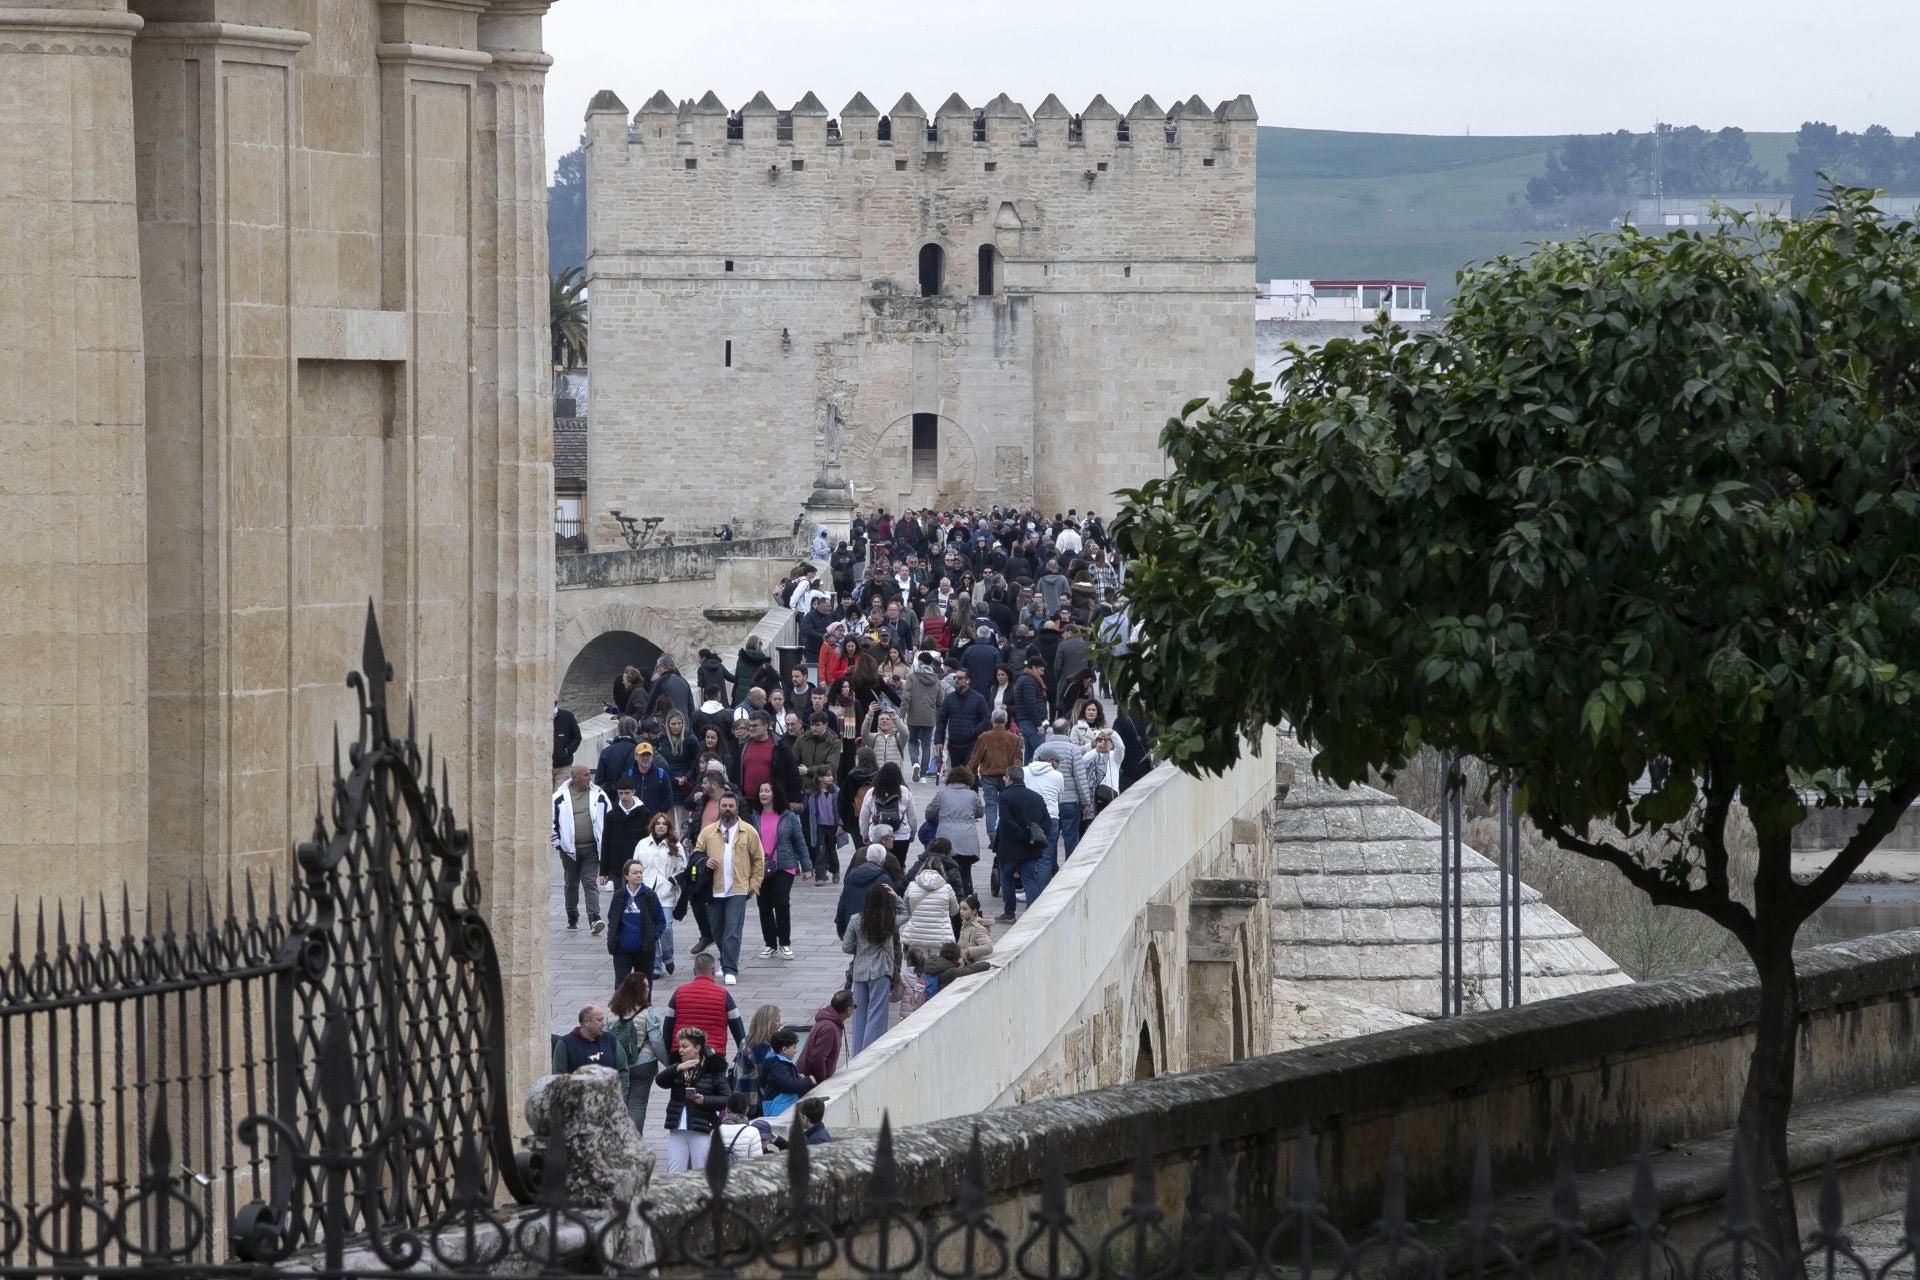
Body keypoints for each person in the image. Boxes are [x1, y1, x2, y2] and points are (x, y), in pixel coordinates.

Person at [692, 789, 764, 984]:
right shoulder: (708, 832)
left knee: (732, 930)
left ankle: (730, 967)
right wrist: (704, 861)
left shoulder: (748, 831)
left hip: (739, 889)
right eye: (724, 805)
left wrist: (754, 885)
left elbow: (759, 860)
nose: (727, 809)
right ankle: (725, 961)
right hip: (714, 889)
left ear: (737, 808)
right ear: (719, 808)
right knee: (717, 930)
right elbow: (696, 854)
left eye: (731, 806)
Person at [841, 873, 906, 1058]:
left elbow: (846, 946)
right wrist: (895, 896)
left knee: (859, 1014)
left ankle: (857, 1054)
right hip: (881, 971)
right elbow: (906, 914)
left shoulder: (856, 919)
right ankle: (870, 1055)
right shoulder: (889, 921)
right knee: (877, 1013)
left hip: (860, 971)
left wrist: (859, 949)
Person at [655, 1027, 730, 1173]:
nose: (680, 1050)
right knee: (674, 1170)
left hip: (701, 1126)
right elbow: (660, 1081)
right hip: (677, 1126)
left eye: (685, 1046)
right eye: (679, 1046)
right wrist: (677, 1068)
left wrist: (704, 1100)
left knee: (701, 1171)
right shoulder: (677, 1067)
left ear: (697, 1048)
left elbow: (727, 1097)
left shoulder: (713, 1068)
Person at [751, 781, 811, 959]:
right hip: (760, 867)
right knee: (764, 905)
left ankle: (785, 942)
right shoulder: (753, 816)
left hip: (784, 865)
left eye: (767, 791)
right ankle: (770, 944)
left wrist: (807, 867)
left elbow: (799, 842)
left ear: (774, 793)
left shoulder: (788, 816)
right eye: (761, 791)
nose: (763, 794)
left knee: (781, 901)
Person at [991, 765, 1054, 922]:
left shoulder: (1005, 797)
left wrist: (1022, 836)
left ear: (1010, 778)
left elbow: (1006, 822)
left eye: (1005, 777)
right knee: (1030, 879)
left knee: (1007, 878)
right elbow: (1047, 820)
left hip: (1010, 847)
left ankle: (1009, 913)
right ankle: (1032, 913)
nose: (1004, 779)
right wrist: (1036, 836)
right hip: (1031, 847)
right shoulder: (1036, 797)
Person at [550, 766, 607, 934]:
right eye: (586, 775)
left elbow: (608, 817)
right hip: (569, 851)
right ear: (574, 778)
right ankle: (572, 916)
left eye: (589, 775)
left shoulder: (599, 795)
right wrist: (559, 843)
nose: (590, 777)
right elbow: (551, 822)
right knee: (571, 884)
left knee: (590, 883)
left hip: (591, 849)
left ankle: (594, 918)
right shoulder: (559, 797)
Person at [607, 974, 667, 1132]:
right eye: (646, 987)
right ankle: (634, 1143)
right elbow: (656, 1041)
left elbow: (605, 1040)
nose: (648, 989)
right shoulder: (649, 1012)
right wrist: (668, 1063)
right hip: (643, 1064)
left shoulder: (610, 1011)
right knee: (638, 1105)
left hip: (618, 1065)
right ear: (639, 991)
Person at [1034, 721, 1099, 861]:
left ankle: (1051, 869)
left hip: (1047, 802)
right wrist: (1085, 801)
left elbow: (1034, 774)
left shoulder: (1041, 749)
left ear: (1053, 730)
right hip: (1069, 801)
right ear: (1068, 730)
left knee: (1051, 838)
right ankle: (1070, 865)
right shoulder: (1073, 750)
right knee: (1070, 837)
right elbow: (1080, 778)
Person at [664, 954, 749, 1056]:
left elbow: (667, 1028)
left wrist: (669, 1055)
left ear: (694, 971)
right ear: (713, 971)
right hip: (713, 1056)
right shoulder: (723, 995)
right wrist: (743, 1056)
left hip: (681, 1054)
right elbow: (738, 1030)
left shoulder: (679, 992)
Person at [630, 811, 682, 975]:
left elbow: (683, 868)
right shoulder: (643, 844)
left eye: (664, 824)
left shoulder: (676, 846)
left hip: (665, 892)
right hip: (646, 892)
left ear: (668, 827)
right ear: (653, 825)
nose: (661, 826)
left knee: (666, 927)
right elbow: (634, 866)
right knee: (649, 929)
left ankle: (668, 956)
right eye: (658, 823)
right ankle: (655, 965)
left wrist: (673, 880)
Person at [923, 765, 985, 897]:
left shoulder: (942, 794)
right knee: (965, 872)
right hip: (967, 841)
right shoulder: (972, 795)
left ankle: (947, 898)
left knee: (945, 870)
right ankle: (967, 898)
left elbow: (929, 814)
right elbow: (980, 813)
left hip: (946, 843)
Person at [604, 856, 667, 985]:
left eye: (640, 872)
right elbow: (612, 919)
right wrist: (615, 940)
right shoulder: (619, 895)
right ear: (626, 876)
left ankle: (645, 1006)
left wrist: (651, 937)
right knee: (621, 985)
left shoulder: (650, 895)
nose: (638, 875)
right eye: (635, 873)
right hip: (622, 950)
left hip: (644, 950)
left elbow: (661, 921)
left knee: (643, 986)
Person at [966, 710, 1023, 847]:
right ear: (1005, 720)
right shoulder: (1014, 738)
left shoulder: (984, 737)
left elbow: (975, 759)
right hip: (1007, 778)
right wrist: (1016, 778)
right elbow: (1018, 761)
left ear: (992, 721)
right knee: (1007, 807)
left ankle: (992, 837)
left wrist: (969, 775)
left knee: (990, 806)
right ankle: (1004, 835)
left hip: (988, 776)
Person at [552, 1003, 630, 1096]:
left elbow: (623, 1072)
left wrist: (621, 1099)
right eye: (599, 1020)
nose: (603, 1023)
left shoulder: (611, 1040)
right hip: (577, 1106)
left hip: (607, 1106)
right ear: (587, 1022)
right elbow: (558, 1078)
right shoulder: (565, 1043)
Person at [935, 670, 991, 779]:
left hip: (972, 744)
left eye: (960, 678)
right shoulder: (949, 699)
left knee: (970, 776)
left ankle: (973, 795)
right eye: (955, 678)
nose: (956, 680)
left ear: (967, 681)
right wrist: (938, 740)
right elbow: (941, 720)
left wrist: (974, 731)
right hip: (954, 744)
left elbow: (986, 719)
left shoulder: (978, 698)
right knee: (956, 777)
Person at [902, 856, 959, 957]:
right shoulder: (947, 888)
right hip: (941, 937)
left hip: (916, 936)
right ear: (941, 870)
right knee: (937, 968)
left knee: (916, 969)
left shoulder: (911, 886)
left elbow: (905, 910)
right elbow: (954, 911)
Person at [859, 763, 915, 861]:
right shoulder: (904, 791)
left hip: (877, 835)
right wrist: (913, 832)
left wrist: (864, 834)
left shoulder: (872, 792)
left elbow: (864, 817)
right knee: (899, 865)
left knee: (878, 864)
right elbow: (912, 817)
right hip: (901, 836)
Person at [754, 1029, 814, 1118]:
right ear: (784, 1049)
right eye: (794, 1047)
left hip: (781, 1107)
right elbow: (789, 1085)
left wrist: (798, 1079)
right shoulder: (777, 1065)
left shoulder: (779, 1063)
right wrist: (808, 1080)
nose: (796, 1051)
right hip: (777, 1111)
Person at [796, 992, 851, 1084]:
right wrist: (822, 1080)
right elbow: (817, 1058)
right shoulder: (829, 1028)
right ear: (848, 1009)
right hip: (810, 1081)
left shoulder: (829, 1022)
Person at [902, 652, 941, 780]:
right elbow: (940, 701)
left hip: (914, 715)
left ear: (920, 662)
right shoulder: (936, 679)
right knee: (926, 744)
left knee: (912, 741)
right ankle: (923, 774)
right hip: (929, 716)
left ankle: (915, 763)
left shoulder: (913, 676)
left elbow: (906, 696)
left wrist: (903, 712)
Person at [807, 765, 841, 884]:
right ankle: (820, 876)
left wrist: (840, 825)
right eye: (827, 775)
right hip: (820, 826)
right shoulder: (813, 794)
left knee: (832, 850)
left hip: (832, 826)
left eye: (831, 775)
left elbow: (840, 810)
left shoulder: (836, 792)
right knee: (820, 850)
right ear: (820, 778)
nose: (830, 778)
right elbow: (806, 807)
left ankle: (835, 870)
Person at [1009, 658, 1049, 761]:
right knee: (1041, 754)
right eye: (1041, 670)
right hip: (1031, 721)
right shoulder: (1029, 681)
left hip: (1025, 720)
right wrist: (1038, 724)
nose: (1042, 673)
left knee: (1030, 754)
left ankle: (1027, 775)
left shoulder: (1024, 679)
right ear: (1034, 668)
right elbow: (1031, 703)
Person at [955, 894, 995, 962]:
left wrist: (968, 952)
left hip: (972, 965)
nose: (961, 911)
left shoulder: (978, 928)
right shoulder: (965, 924)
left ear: (974, 911)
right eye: (960, 908)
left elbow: (989, 947)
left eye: (965, 909)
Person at [552, 697, 582, 778]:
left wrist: (567, 750)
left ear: (556, 703)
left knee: (560, 790)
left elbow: (577, 737)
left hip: (563, 765)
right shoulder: (540, 717)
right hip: (542, 766)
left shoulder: (567, 716)